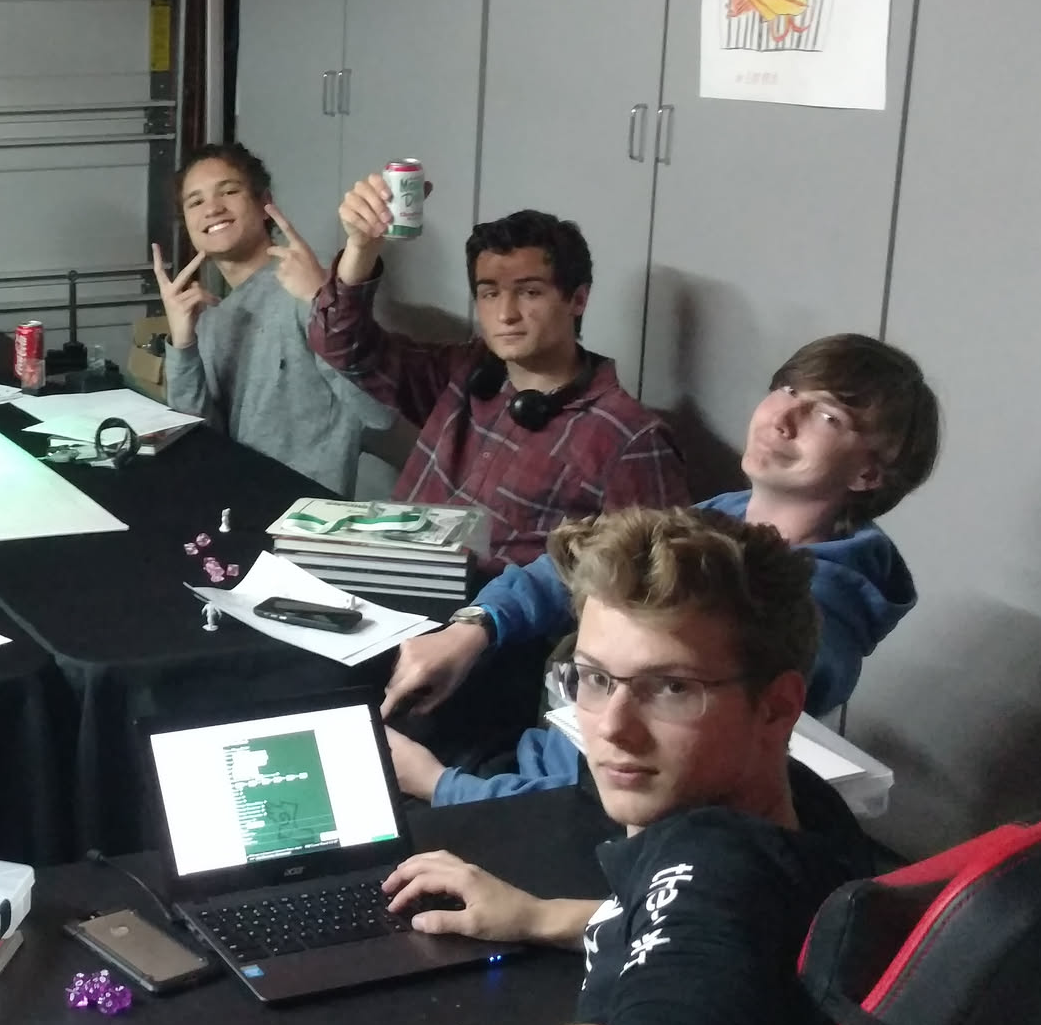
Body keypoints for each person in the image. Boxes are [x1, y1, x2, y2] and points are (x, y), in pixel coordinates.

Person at [381, 504, 872, 1025]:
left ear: (778, 705)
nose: (611, 726)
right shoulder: (804, 810)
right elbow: (740, 934)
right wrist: (542, 916)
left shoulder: (715, 861)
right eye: (595, 678)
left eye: (670, 687)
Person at [391, 334, 941, 803]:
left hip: (545, 802)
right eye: (788, 390)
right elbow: (577, 568)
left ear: (869, 474)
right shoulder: (723, 515)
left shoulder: (808, 611)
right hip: (529, 761)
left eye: (828, 416)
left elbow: (630, 793)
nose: (782, 418)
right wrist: (474, 628)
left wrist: (441, 787)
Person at [308, 173, 687, 570]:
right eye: (489, 293)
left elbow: (653, 587)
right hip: (391, 575)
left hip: (492, 607)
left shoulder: (629, 439)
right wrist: (361, 248)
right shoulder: (463, 372)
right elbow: (339, 343)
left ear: (577, 299)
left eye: (529, 292)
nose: (505, 314)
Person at [154, 143, 393, 493]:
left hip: (305, 513)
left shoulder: (308, 286)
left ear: (264, 202)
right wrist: (183, 343)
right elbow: (200, 443)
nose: (212, 209)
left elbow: (379, 412)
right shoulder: (211, 318)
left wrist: (323, 304)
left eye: (229, 191)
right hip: (236, 505)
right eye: (195, 202)